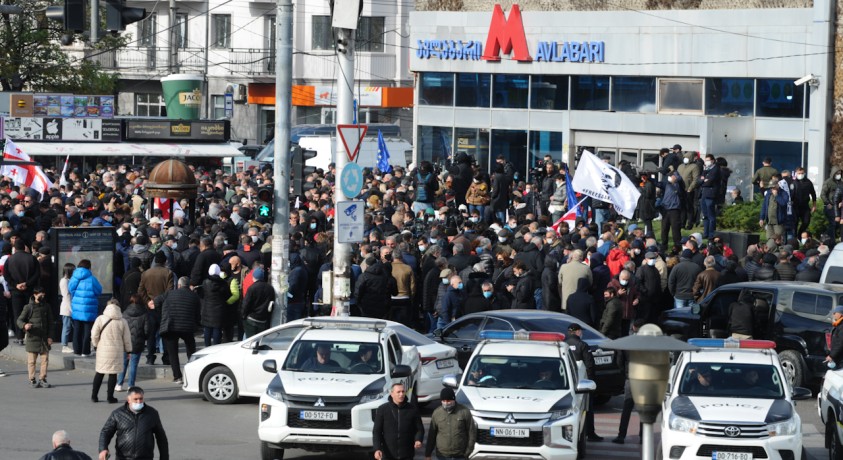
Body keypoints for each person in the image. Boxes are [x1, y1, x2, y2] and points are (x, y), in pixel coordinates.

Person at [98, 386, 169, 460]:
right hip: (123, 457)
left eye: (141, 399)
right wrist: (103, 449)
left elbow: (161, 438)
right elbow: (106, 432)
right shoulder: (117, 414)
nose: (139, 401)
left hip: (145, 458)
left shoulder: (152, 413)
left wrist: (164, 457)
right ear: (128, 400)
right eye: (135, 399)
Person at [565, 323, 602, 442]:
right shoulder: (582, 345)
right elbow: (590, 365)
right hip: (582, 383)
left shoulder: (563, 344)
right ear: (577, 332)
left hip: (565, 383)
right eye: (580, 331)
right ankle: (590, 433)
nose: (581, 333)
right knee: (587, 408)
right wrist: (591, 382)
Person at [91, 299, 132, 404]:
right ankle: (110, 397)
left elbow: (94, 334)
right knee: (113, 374)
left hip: (102, 349)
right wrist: (128, 351)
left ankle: (94, 396)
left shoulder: (100, 319)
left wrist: (96, 344)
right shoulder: (122, 321)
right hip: (116, 350)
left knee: (100, 372)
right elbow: (127, 338)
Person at [373, 382, 425, 460]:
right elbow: (377, 431)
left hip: (407, 454)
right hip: (388, 455)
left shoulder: (412, 409)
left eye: (403, 391)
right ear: (392, 394)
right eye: (398, 392)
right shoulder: (382, 409)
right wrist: (377, 449)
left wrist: (418, 439)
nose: (401, 394)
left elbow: (420, 429)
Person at [424, 387, 476, 460]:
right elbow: (431, 435)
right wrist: (428, 454)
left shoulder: (464, 411)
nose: (446, 403)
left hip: (460, 455)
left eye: (448, 400)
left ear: (453, 399)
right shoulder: (437, 413)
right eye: (443, 401)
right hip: (442, 456)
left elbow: (472, 432)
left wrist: (468, 452)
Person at [17, 286, 53, 388]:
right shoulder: (28, 307)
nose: (43, 295)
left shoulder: (47, 307)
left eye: (43, 294)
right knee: (32, 361)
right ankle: (32, 379)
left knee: (45, 360)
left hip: (44, 339)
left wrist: (50, 337)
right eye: (41, 294)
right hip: (32, 338)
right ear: (35, 294)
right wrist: (24, 325)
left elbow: (51, 323)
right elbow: (19, 320)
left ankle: (42, 379)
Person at [4, 239, 39, 345]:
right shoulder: (32, 258)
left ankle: (20, 336)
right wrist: (27, 284)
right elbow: (37, 274)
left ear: (14, 248)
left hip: (15, 291)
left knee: (17, 313)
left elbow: (6, 275)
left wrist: (16, 284)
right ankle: (30, 335)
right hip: (29, 290)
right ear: (24, 247)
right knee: (30, 312)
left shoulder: (9, 260)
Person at [69, 259, 102, 357]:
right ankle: (85, 351)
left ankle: (77, 350)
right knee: (87, 330)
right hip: (89, 307)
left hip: (77, 306)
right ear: (89, 267)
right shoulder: (92, 279)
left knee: (77, 330)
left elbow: (70, 289)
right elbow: (99, 291)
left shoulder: (74, 277)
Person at [115, 294, 148, 392]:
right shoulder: (144, 313)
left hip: (125, 342)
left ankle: (119, 384)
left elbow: (120, 328)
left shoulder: (125, 313)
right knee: (133, 364)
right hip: (138, 342)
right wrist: (144, 338)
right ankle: (131, 385)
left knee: (124, 363)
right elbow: (147, 330)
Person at [239, 267, 274, 338]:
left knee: (249, 340)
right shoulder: (270, 288)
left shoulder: (252, 288)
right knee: (260, 339)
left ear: (254, 277)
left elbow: (246, 304)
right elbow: (271, 304)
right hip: (263, 319)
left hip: (251, 318)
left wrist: (243, 315)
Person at [59, 263, 75, 353]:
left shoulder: (68, 280)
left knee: (72, 326)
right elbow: (66, 296)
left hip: (69, 307)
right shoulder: (64, 281)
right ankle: (64, 346)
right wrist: (71, 309)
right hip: (67, 308)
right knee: (67, 327)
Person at [826, 305, 843, 369]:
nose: (833, 314)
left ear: (841, 315)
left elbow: (840, 343)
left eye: (835, 313)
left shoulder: (842, 326)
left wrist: (832, 355)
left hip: (840, 359)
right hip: (838, 357)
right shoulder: (838, 325)